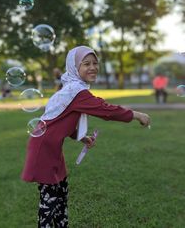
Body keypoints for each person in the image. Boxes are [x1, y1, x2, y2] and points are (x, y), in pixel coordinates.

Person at [21, 46, 150, 228]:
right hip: (44, 149)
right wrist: (137, 115)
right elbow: (106, 110)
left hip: (51, 146)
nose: (93, 67)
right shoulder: (76, 91)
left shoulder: (72, 90)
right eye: (86, 64)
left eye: (95, 63)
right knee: (49, 202)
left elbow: (61, 121)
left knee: (61, 194)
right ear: (74, 67)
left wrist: (81, 137)